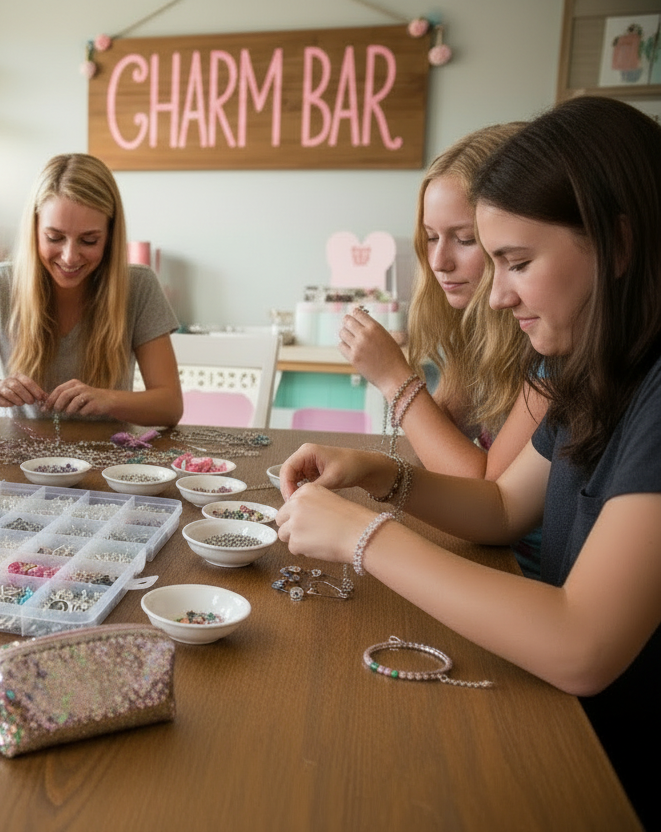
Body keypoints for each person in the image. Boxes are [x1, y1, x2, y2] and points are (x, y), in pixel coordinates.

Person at [275, 96, 661, 826]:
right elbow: (503, 508)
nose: (497, 295)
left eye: (516, 262)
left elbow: (583, 643)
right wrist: (377, 475)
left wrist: (362, 537)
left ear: (620, 242)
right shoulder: (594, 363)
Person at [337, 122, 547, 577]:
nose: (439, 261)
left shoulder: (550, 349)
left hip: (523, 571)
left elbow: (482, 488)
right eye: (431, 237)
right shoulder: (480, 333)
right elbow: (443, 436)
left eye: (465, 239)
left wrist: (395, 378)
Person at [0, 153, 182, 426]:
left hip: (110, 463)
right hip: (17, 461)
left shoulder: (139, 287)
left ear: (110, 237)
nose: (69, 257)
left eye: (89, 240)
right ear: (35, 229)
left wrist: (109, 400)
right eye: (54, 238)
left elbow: (170, 406)